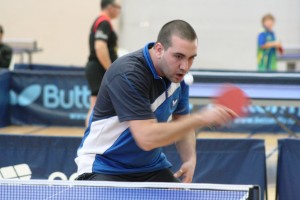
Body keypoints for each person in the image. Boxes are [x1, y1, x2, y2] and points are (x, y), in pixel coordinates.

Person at [75, 20, 234, 183]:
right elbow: (146, 138)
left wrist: (189, 159)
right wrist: (199, 119)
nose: (185, 66)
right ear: (159, 49)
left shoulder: (179, 78)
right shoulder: (129, 74)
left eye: (191, 58)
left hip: (150, 168)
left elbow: (182, 121)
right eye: (178, 56)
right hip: (105, 167)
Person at [85, 0, 121, 126]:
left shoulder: (103, 22)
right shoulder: (104, 22)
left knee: (96, 105)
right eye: (118, 7)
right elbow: (100, 46)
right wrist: (111, 69)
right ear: (110, 7)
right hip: (98, 69)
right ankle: (89, 138)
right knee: (95, 105)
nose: (119, 10)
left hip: (98, 68)